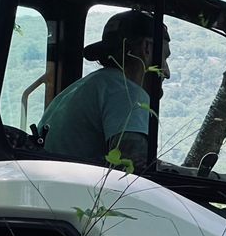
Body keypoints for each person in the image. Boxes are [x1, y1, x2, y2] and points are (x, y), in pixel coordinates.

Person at [39, 10, 170, 169]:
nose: (167, 72)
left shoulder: (89, 86)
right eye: (164, 57)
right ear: (147, 48)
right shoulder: (127, 94)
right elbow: (133, 172)